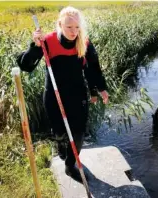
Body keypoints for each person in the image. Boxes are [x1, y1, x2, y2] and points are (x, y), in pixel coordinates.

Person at [16, 6, 109, 183]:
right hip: (54, 95)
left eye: (77, 27)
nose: (74, 31)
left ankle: (70, 166)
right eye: (69, 27)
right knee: (59, 132)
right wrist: (35, 46)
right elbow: (25, 66)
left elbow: (93, 70)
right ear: (60, 24)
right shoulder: (48, 41)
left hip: (77, 95)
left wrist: (100, 89)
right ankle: (59, 141)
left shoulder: (85, 42)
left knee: (79, 134)